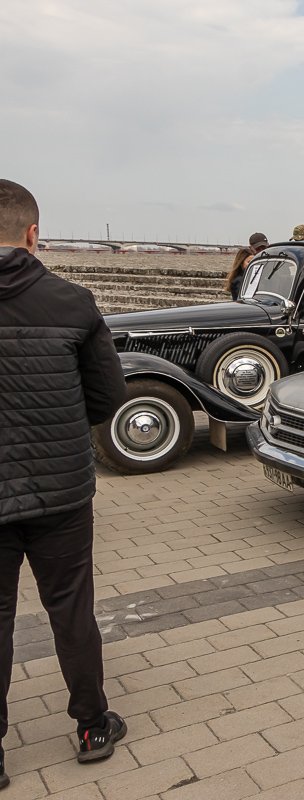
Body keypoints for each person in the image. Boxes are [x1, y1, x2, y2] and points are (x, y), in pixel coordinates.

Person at [0, 180, 128, 784]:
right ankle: (91, 723)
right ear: (32, 234)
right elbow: (107, 398)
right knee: (71, 609)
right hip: (61, 491)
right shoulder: (73, 301)